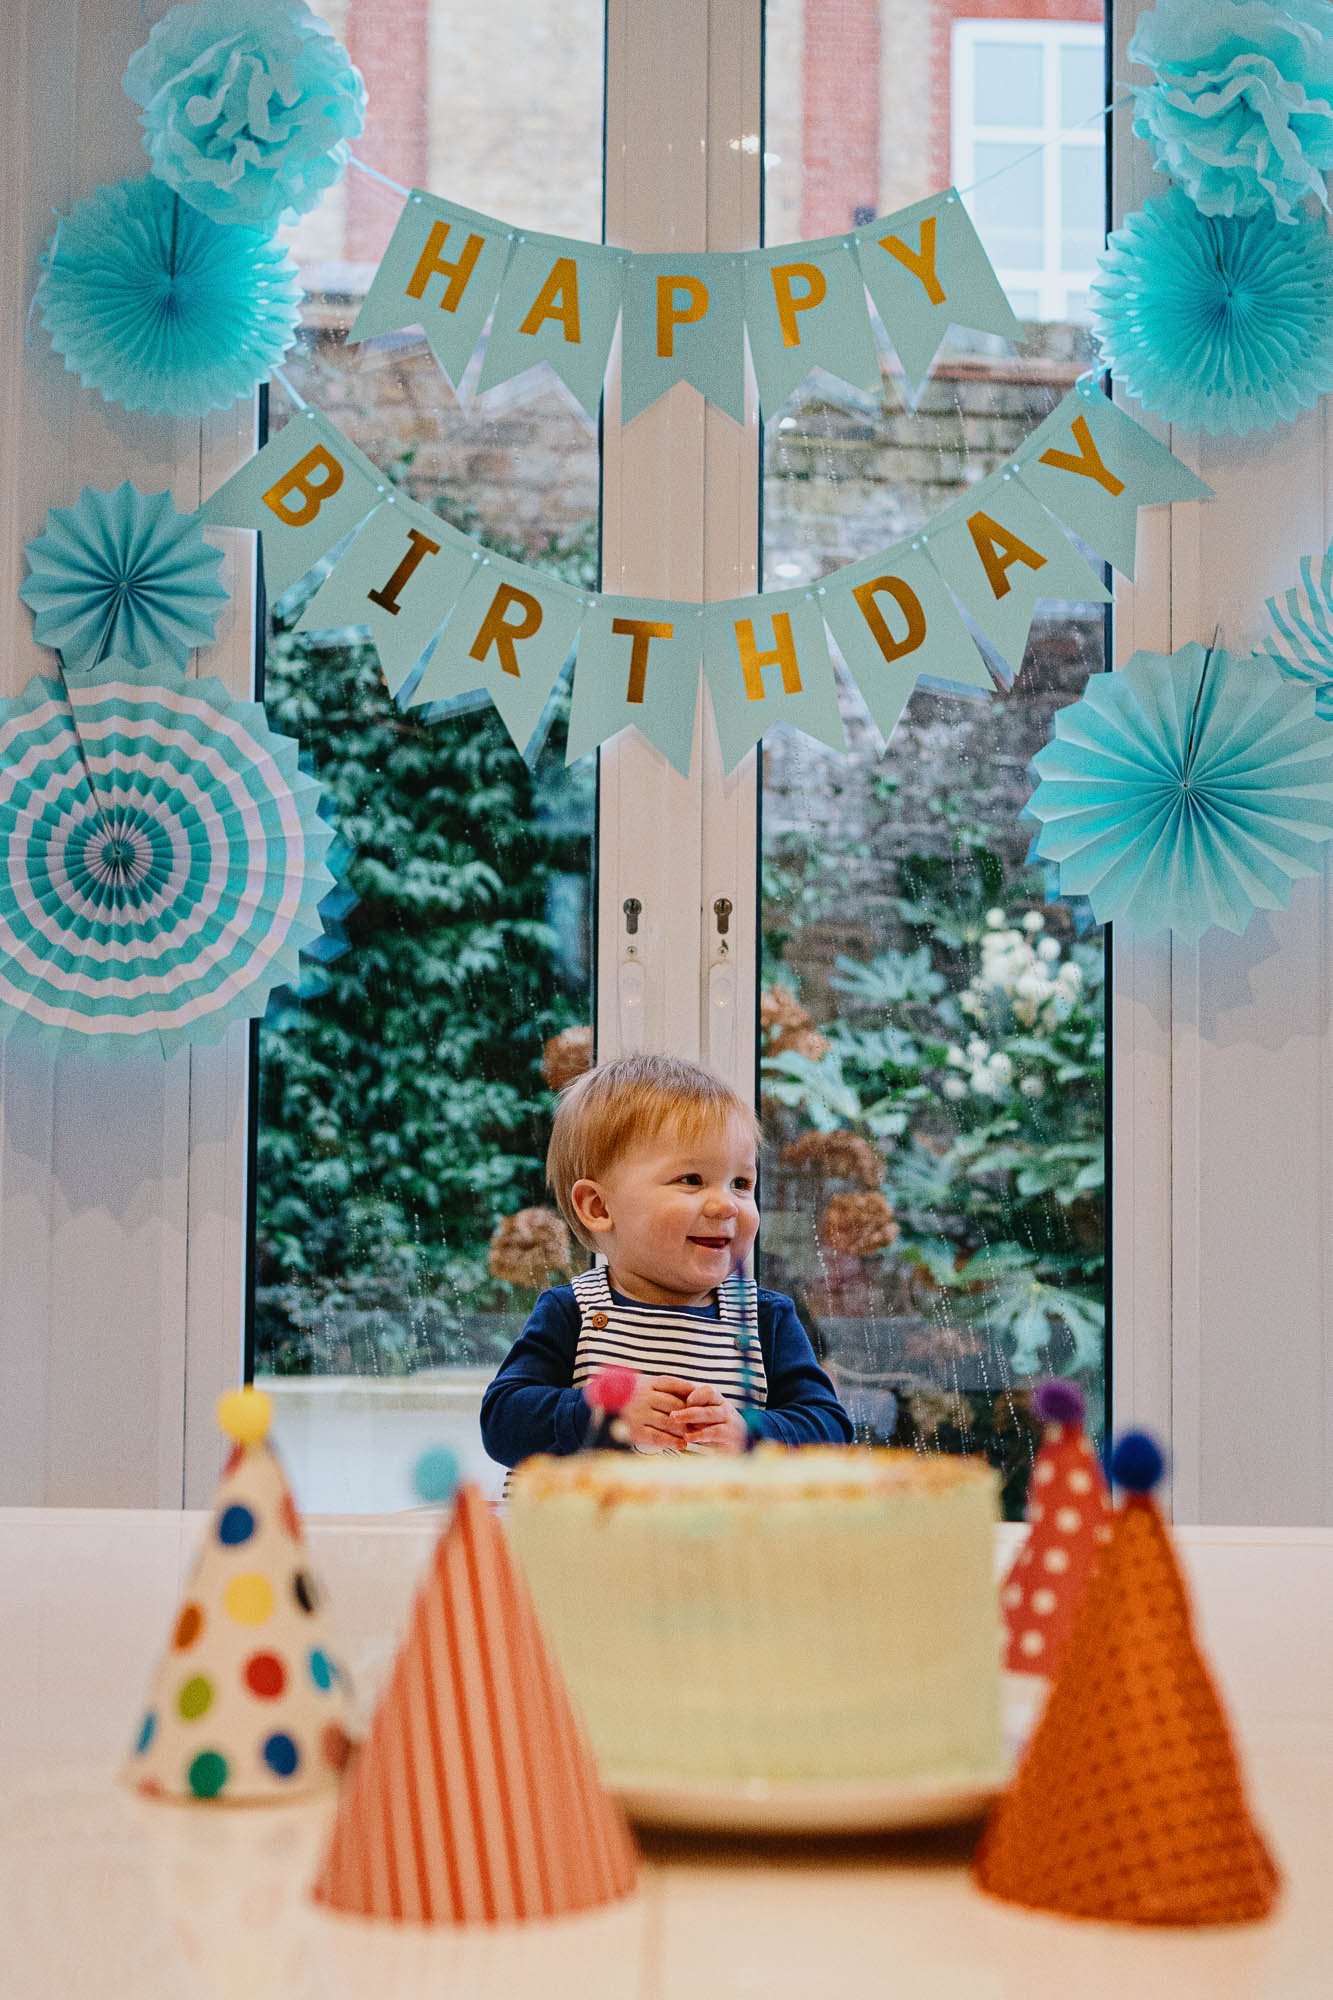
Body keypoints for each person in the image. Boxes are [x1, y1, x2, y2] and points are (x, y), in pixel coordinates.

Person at [480, 1052, 853, 1468]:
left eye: (741, 1183)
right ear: (599, 1207)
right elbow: (502, 1421)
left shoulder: (765, 1319)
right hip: (590, 1530)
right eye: (691, 1179)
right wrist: (601, 1414)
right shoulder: (573, 1312)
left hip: (723, 1533)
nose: (727, 1204)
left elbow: (830, 1429)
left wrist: (752, 1433)